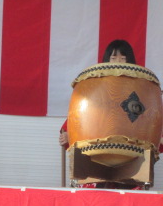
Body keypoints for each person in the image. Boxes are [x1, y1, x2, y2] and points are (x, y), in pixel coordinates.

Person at [59, 39, 162, 189]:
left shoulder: (142, 88)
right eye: (113, 58)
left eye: (123, 58)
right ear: (106, 60)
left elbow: (151, 118)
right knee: (98, 195)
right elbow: (85, 116)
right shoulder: (98, 88)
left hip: (133, 160)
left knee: (128, 195)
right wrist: (70, 134)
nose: (118, 62)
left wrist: (156, 138)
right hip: (96, 159)